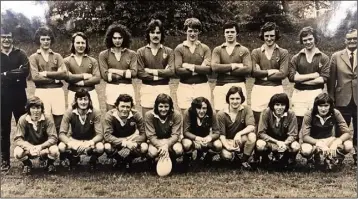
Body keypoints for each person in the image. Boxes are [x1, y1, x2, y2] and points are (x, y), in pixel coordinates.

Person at [288, 26, 330, 132]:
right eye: (305, 40)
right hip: (299, 93)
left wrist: (301, 79)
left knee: (315, 119)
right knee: (298, 120)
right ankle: (297, 146)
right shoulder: (296, 57)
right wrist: (314, 75)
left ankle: (312, 146)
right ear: (302, 41)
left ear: (315, 38)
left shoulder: (323, 57)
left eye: (310, 39)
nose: (308, 42)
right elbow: (292, 77)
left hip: (316, 93)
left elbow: (323, 78)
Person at [29, 26, 68, 134]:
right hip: (42, 91)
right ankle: (46, 145)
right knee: (43, 118)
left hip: (57, 91)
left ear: (51, 40)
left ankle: (59, 147)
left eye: (48, 39)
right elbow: (35, 77)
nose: (46, 42)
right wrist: (56, 78)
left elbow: (64, 73)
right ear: (39, 40)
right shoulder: (33, 57)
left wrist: (46, 74)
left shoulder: (57, 56)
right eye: (43, 39)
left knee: (59, 118)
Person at [1, 27, 29, 171]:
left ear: (13, 38)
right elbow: (18, 73)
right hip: (2, 96)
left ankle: (26, 160)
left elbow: (25, 71)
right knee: (4, 129)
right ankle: (5, 161)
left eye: (9, 37)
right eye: (3, 36)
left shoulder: (20, 53)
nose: (6, 39)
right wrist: (14, 74)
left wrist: (5, 74)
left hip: (19, 95)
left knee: (23, 126)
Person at [300, 93, 353, 170]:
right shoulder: (309, 114)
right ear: (316, 106)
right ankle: (312, 158)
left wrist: (336, 142)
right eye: (320, 106)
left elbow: (347, 133)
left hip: (329, 139)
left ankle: (334, 158)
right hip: (313, 141)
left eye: (326, 106)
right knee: (306, 150)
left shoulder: (335, 112)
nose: (323, 109)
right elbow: (305, 136)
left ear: (330, 106)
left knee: (348, 145)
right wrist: (319, 143)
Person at [328, 28, 357, 165]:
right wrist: (331, 98)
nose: (352, 41)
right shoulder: (336, 56)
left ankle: (357, 154)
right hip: (341, 99)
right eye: (349, 39)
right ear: (345, 40)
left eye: (355, 38)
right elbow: (331, 80)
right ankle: (338, 155)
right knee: (340, 128)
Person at [251, 22, 289, 126]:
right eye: (266, 36)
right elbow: (254, 72)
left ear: (276, 35)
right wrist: (271, 71)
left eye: (272, 35)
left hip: (276, 89)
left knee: (277, 117)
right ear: (262, 36)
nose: (269, 38)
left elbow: (283, 74)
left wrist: (262, 74)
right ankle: (258, 141)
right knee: (258, 118)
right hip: (259, 89)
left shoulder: (283, 52)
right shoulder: (256, 52)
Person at [58, 89, 104, 170]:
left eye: (85, 99)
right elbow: (61, 134)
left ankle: (93, 159)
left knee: (100, 147)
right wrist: (71, 143)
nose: (83, 102)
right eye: (80, 99)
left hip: (90, 140)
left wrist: (89, 143)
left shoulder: (95, 112)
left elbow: (100, 134)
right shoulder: (69, 112)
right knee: (61, 146)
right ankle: (73, 158)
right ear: (76, 101)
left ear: (89, 100)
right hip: (75, 139)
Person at [137, 19, 175, 116]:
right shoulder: (141, 52)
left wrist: (151, 71)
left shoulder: (169, 51)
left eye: (158, 32)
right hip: (147, 88)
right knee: (147, 118)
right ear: (148, 34)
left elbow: (171, 72)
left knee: (164, 118)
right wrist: (162, 74)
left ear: (161, 34)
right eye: (152, 32)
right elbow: (140, 73)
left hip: (164, 87)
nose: (155, 35)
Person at [212, 21, 252, 111]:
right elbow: (215, 67)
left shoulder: (244, 50)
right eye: (227, 32)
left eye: (232, 32)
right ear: (224, 34)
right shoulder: (218, 50)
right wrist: (234, 66)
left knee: (240, 114)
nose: (230, 34)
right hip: (221, 85)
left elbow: (248, 69)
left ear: (236, 33)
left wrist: (224, 69)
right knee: (220, 113)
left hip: (239, 84)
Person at [174, 18, 212, 114]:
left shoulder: (205, 48)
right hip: (184, 87)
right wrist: (200, 69)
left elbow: (209, 70)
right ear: (185, 31)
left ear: (199, 32)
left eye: (195, 31)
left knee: (203, 115)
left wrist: (189, 66)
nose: (192, 34)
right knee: (186, 115)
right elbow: (178, 70)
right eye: (190, 31)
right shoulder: (179, 48)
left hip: (202, 86)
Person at [13, 96, 59, 174]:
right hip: (29, 148)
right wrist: (30, 148)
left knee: (54, 150)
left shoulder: (47, 119)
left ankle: (50, 164)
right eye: (33, 108)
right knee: (17, 152)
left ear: (42, 109)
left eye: (38, 108)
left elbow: (53, 138)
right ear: (28, 109)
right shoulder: (23, 119)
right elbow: (18, 138)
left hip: (44, 148)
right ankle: (27, 164)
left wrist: (41, 147)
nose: (36, 111)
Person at [103, 94, 148, 170]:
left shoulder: (136, 115)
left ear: (131, 107)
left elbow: (143, 134)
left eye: (128, 107)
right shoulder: (110, 115)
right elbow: (107, 136)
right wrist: (125, 143)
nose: (125, 109)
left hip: (132, 139)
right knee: (107, 147)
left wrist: (135, 143)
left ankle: (129, 159)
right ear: (117, 106)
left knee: (144, 147)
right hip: (116, 140)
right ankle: (119, 160)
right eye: (122, 106)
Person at [99, 23, 137, 111]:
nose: (117, 40)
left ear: (124, 38)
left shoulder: (132, 54)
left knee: (129, 116)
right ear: (110, 39)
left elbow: (134, 73)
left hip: (127, 87)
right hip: (112, 88)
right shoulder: (103, 54)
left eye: (120, 38)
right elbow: (105, 76)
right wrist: (126, 73)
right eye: (114, 38)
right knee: (111, 116)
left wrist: (112, 71)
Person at [216, 86, 256, 169]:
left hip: (240, 139)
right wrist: (227, 146)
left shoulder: (246, 109)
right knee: (227, 156)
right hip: (227, 141)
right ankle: (234, 156)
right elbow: (222, 135)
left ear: (242, 99)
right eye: (232, 98)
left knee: (252, 136)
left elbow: (251, 126)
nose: (235, 101)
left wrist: (239, 133)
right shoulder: (221, 114)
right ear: (228, 99)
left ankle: (244, 160)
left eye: (237, 98)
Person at [256, 93, 300, 167]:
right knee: (260, 144)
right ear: (272, 105)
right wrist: (276, 142)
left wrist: (285, 143)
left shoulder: (291, 114)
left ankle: (288, 158)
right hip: (270, 141)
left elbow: (293, 134)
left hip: (285, 142)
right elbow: (261, 133)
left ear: (286, 105)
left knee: (296, 146)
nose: (279, 107)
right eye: (277, 104)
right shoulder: (266, 112)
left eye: (282, 105)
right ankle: (265, 158)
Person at [145, 93, 184, 172]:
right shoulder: (149, 115)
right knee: (152, 153)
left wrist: (166, 145)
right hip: (156, 140)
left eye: (166, 106)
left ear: (170, 107)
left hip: (170, 140)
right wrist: (162, 146)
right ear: (156, 106)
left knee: (178, 150)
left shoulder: (176, 115)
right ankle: (152, 162)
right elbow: (151, 136)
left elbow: (175, 135)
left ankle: (172, 160)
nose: (163, 109)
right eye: (160, 106)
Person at [64, 32, 101, 110]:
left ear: (86, 44)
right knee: (73, 118)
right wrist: (84, 76)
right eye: (78, 43)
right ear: (73, 44)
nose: (80, 45)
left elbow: (97, 78)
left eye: (83, 43)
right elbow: (67, 77)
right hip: (73, 93)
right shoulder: (66, 61)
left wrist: (81, 82)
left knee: (93, 116)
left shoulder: (92, 60)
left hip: (90, 93)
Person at [182, 97, 222, 166]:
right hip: (192, 138)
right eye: (198, 108)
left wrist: (209, 138)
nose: (201, 111)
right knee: (186, 144)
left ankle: (208, 156)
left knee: (218, 145)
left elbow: (217, 132)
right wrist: (196, 138)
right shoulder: (188, 112)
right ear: (194, 108)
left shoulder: (212, 113)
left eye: (204, 108)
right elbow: (185, 132)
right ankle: (188, 156)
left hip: (205, 139)